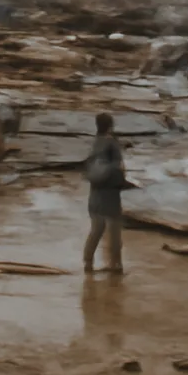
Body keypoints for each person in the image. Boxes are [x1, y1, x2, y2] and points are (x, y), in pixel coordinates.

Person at [83, 113, 125, 274]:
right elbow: (119, 167)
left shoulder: (94, 143)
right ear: (110, 125)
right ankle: (116, 264)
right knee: (114, 231)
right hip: (111, 195)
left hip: (94, 194)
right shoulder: (112, 144)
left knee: (96, 230)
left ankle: (88, 262)